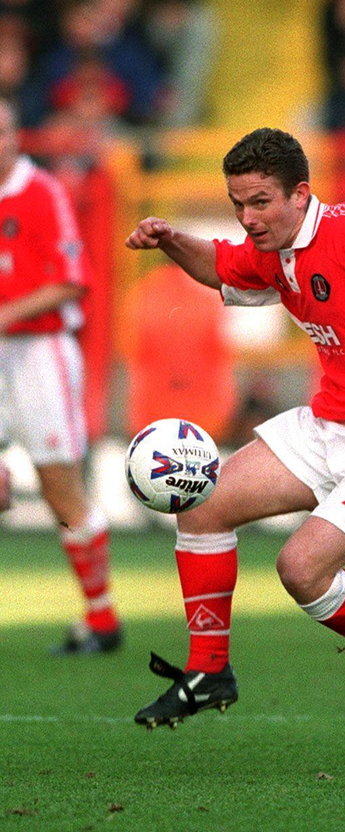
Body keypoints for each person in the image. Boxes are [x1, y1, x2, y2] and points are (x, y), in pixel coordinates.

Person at [125, 126, 345, 733]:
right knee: (202, 505)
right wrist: (171, 239)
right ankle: (210, 670)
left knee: (301, 570)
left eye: (260, 202)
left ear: (300, 194)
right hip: (331, 423)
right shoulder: (270, 248)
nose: (248, 217)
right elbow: (221, 268)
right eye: (238, 204)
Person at [0, 95, 122, 653]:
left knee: (60, 491)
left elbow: (72, 280)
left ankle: (101, 619)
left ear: (15, 137)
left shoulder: (41, 192)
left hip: (39, 352)